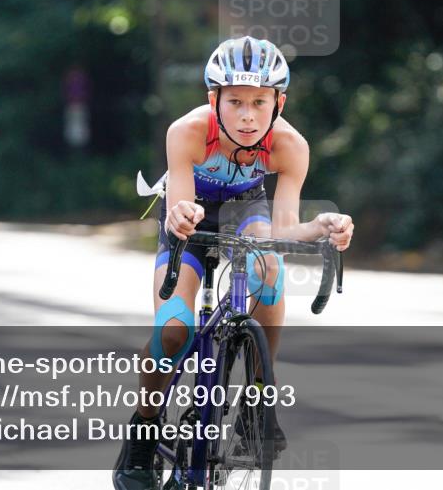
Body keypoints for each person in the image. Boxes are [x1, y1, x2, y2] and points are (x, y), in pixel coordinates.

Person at [114, 36, 354, 490]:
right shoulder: (185, 131)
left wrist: (322, 225)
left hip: (247, 208)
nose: (248, 115)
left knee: (268, 268)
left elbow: (282, 228)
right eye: (237, 102)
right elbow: (181, 209)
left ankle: (257, 400)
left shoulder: (290, 145)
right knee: (172, 331)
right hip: (190, 214)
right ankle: (143, 433)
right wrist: (182, 215)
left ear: (278, 103)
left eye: (260, 103)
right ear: (214, 100)